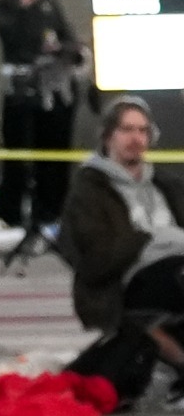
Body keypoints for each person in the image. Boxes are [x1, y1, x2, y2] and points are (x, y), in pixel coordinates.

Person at [61, 97, 184, 400]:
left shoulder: (165, 184)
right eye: (127, 130)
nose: (136, 138)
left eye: (142, 131)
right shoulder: (90, 189)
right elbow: (95, 258)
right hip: (123, 282)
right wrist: (150, 239)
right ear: (108, 136)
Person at [0, 0, 82, 230]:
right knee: (17, 154)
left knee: (54, 154)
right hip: (21, 91)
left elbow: (66, 37)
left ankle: (51, 211)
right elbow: (13, 40)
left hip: (53, 89)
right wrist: (27, 3)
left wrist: (65, 50)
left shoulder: (51, 3)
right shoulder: (5, 3)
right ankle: (12, 212)